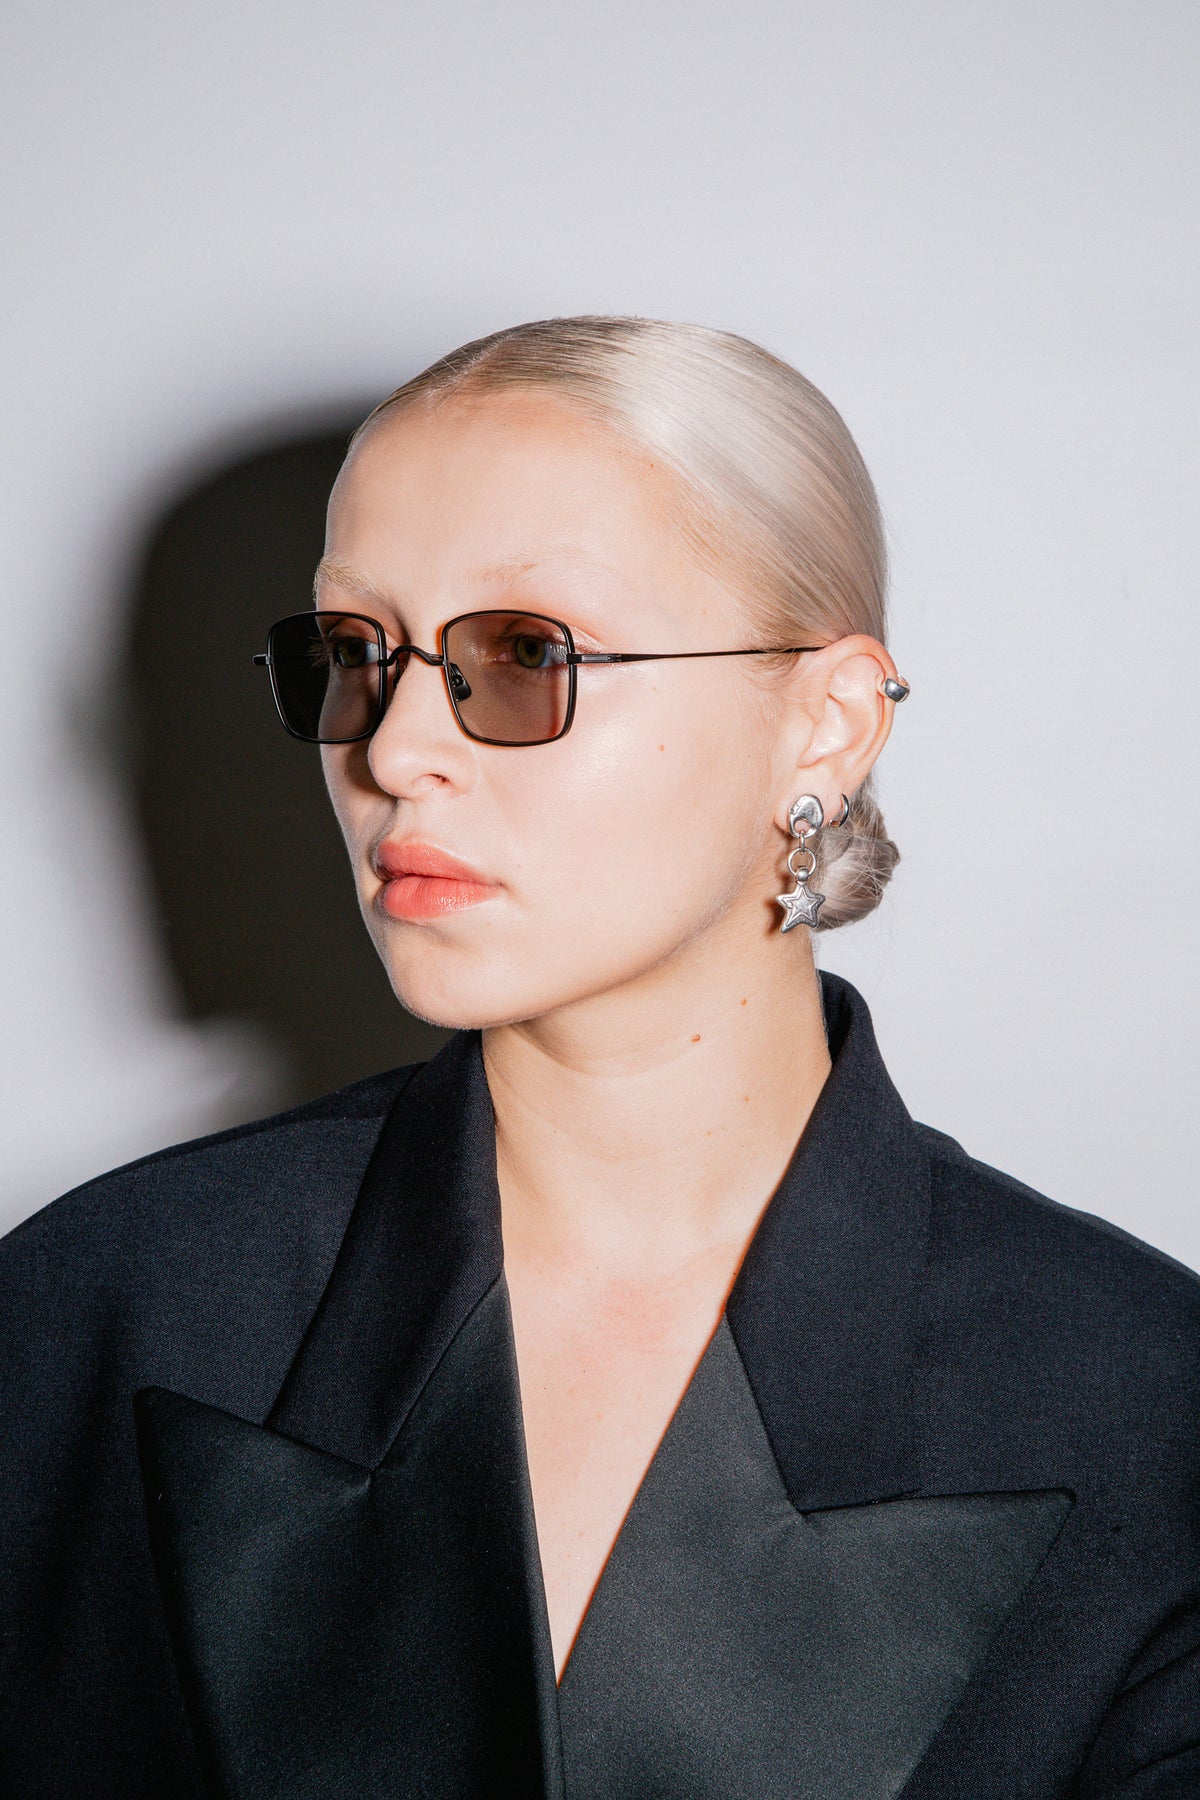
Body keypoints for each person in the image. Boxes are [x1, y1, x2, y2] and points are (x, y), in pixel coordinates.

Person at [1, 316, 1197, 1800]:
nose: (392, 754)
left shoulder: (1145, 1404)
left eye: (523, 655)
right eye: (355, 655)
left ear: (824, 724)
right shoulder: (96, 1312)